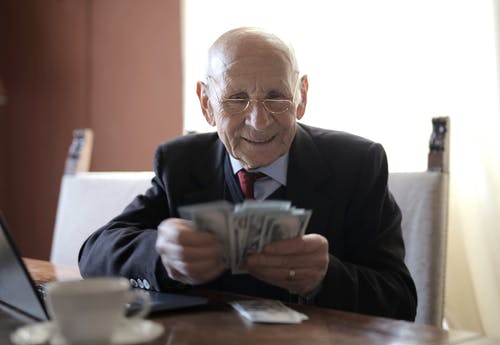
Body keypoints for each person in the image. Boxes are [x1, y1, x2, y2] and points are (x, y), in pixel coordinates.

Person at [79, 27, 417, 321]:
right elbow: (94, 253)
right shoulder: (182, 163)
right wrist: (162, 256)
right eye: (236, 99)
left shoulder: (357, 164)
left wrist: (325, 277)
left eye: (276, 97)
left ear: (301, 97)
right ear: (206, 103)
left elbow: (400, 300)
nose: (258, 121)